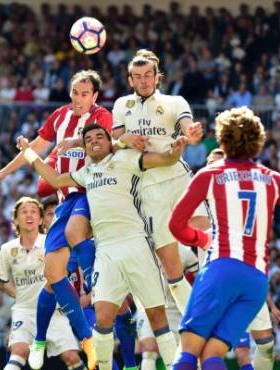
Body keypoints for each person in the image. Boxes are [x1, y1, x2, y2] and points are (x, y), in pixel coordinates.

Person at [17, 123, 189, 369]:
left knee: (157, 318)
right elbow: (53, 178)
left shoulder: (127, 159)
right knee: (103, 319)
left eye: (100, 136)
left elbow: (164, 159)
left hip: (136, 244)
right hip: (106, 252)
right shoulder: (86, 173)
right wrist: (29, 153)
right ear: (85, 147)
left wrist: (176, 150)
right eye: (89, 139)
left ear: (110, 142)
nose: (95, 140)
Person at [169, 106, 280, 370]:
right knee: (213, 354)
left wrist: (202, 239)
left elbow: (175, 225)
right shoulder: (272, 179)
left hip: (221, 268)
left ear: (222, 140)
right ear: (258, 141)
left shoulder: (209, 174)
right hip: (256, 281)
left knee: (188, 353)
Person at [0, 70, 112, 369]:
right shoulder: (59, 116)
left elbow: (102, 144)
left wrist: (72, 143)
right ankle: (78, 341)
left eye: (85, 94)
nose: (79, 99)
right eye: (75, 93)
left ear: (94, 96)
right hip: (65, 198)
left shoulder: (102, 115)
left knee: (75, 231)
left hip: (91, 191)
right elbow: (35, 150)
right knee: (53, 273)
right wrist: (2, 173)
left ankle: (96, 284)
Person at [112, 52, 210, 315]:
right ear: (130, 80)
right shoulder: (122, 105)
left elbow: (188, 128)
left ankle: (212, 292)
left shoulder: (174, 101)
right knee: (170, 264)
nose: (143, 81)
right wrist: (126, 140)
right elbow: (116, 140)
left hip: (177, 178)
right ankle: (193, 320)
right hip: (146, 187)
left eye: (148, 76)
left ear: (157, 77)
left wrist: (192, 134)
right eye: (138, 77)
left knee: (206, 232)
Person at [0, 197, 86, 370]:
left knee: (71, 357)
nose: (29, 215)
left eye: (34, 212)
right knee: (19, 351)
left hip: (54, 312)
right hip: (24, 311)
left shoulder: (51, 243)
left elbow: (65, 272)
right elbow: (1, 281)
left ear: (41, 219)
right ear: (15, 220)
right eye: (24, 212)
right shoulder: (7, 249)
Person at [207, 147, 280, 370]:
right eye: (210, 162)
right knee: (238, 352)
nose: (214, 167)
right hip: (217, 284)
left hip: (246, 280)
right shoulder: (199, 200)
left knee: (266, 346)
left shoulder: (240, 204)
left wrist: (270, 303)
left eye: (218, 163)